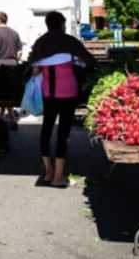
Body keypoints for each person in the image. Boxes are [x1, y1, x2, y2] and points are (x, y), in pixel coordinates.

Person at [29, 12, 95, 187]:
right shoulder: (70, 42)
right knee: (63, 133)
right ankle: (59, 176)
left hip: (48, 93)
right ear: (62, 24)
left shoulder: (40, 43)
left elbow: (34, 71)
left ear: (47, 24)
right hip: (68, 92)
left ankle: (48, 172)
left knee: (46, 130)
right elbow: (88, 62)